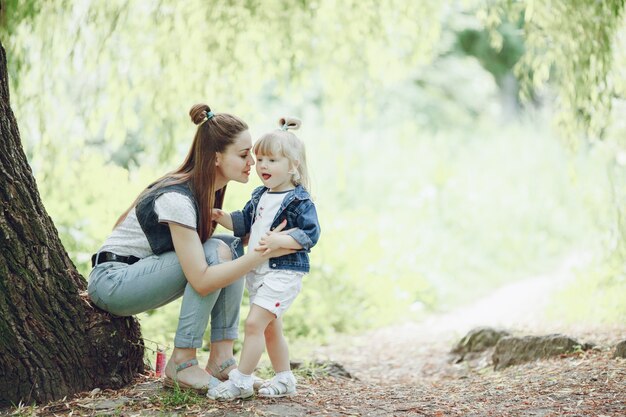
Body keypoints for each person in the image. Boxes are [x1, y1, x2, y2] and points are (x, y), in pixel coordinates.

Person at [87, 104, 295, 393]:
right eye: (244, 154)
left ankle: (222, 360)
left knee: (229, 245)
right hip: (113, 282)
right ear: (216, 157)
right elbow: (200, 279)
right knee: (216, 252)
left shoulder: (207, 189)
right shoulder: (177, 198)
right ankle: (182, 363)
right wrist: (260, 254)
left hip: (140, 275)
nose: (254, 162)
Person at [207, 117, 321, 400]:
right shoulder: (260, 195)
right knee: (271, 329)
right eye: (260, 160)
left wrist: (281, 240)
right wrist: (223, 218)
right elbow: (245, 222)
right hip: (260, 271)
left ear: (292, 165)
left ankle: (241, 381)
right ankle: (285, 378)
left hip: (283, 273)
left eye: (272, 160)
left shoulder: (299, 201)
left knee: (254, 324)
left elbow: (311, 234)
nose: (263, 166)